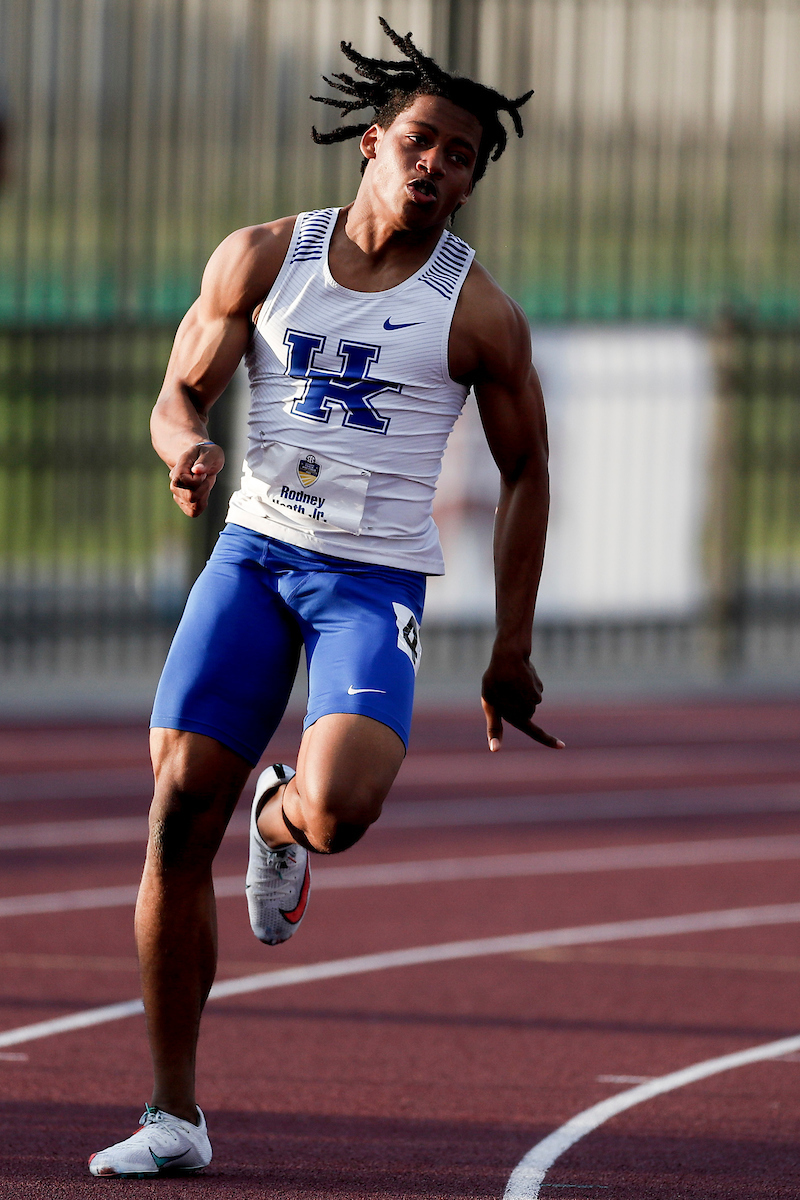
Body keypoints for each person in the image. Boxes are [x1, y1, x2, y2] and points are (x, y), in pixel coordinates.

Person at [88, 18, 564, 1179]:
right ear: (371, 143)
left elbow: (525, 474)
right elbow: (175, 399)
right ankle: (173, 1115)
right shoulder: (260, 257)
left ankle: (279, 819)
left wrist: (510, 645)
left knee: (342, 807)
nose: (436, 167)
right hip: (251, 557)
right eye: (420, 142)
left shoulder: (477, 313)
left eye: (460, 157)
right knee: (168, 820)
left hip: (370, 579)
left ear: (470, 181)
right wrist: (184, 447)